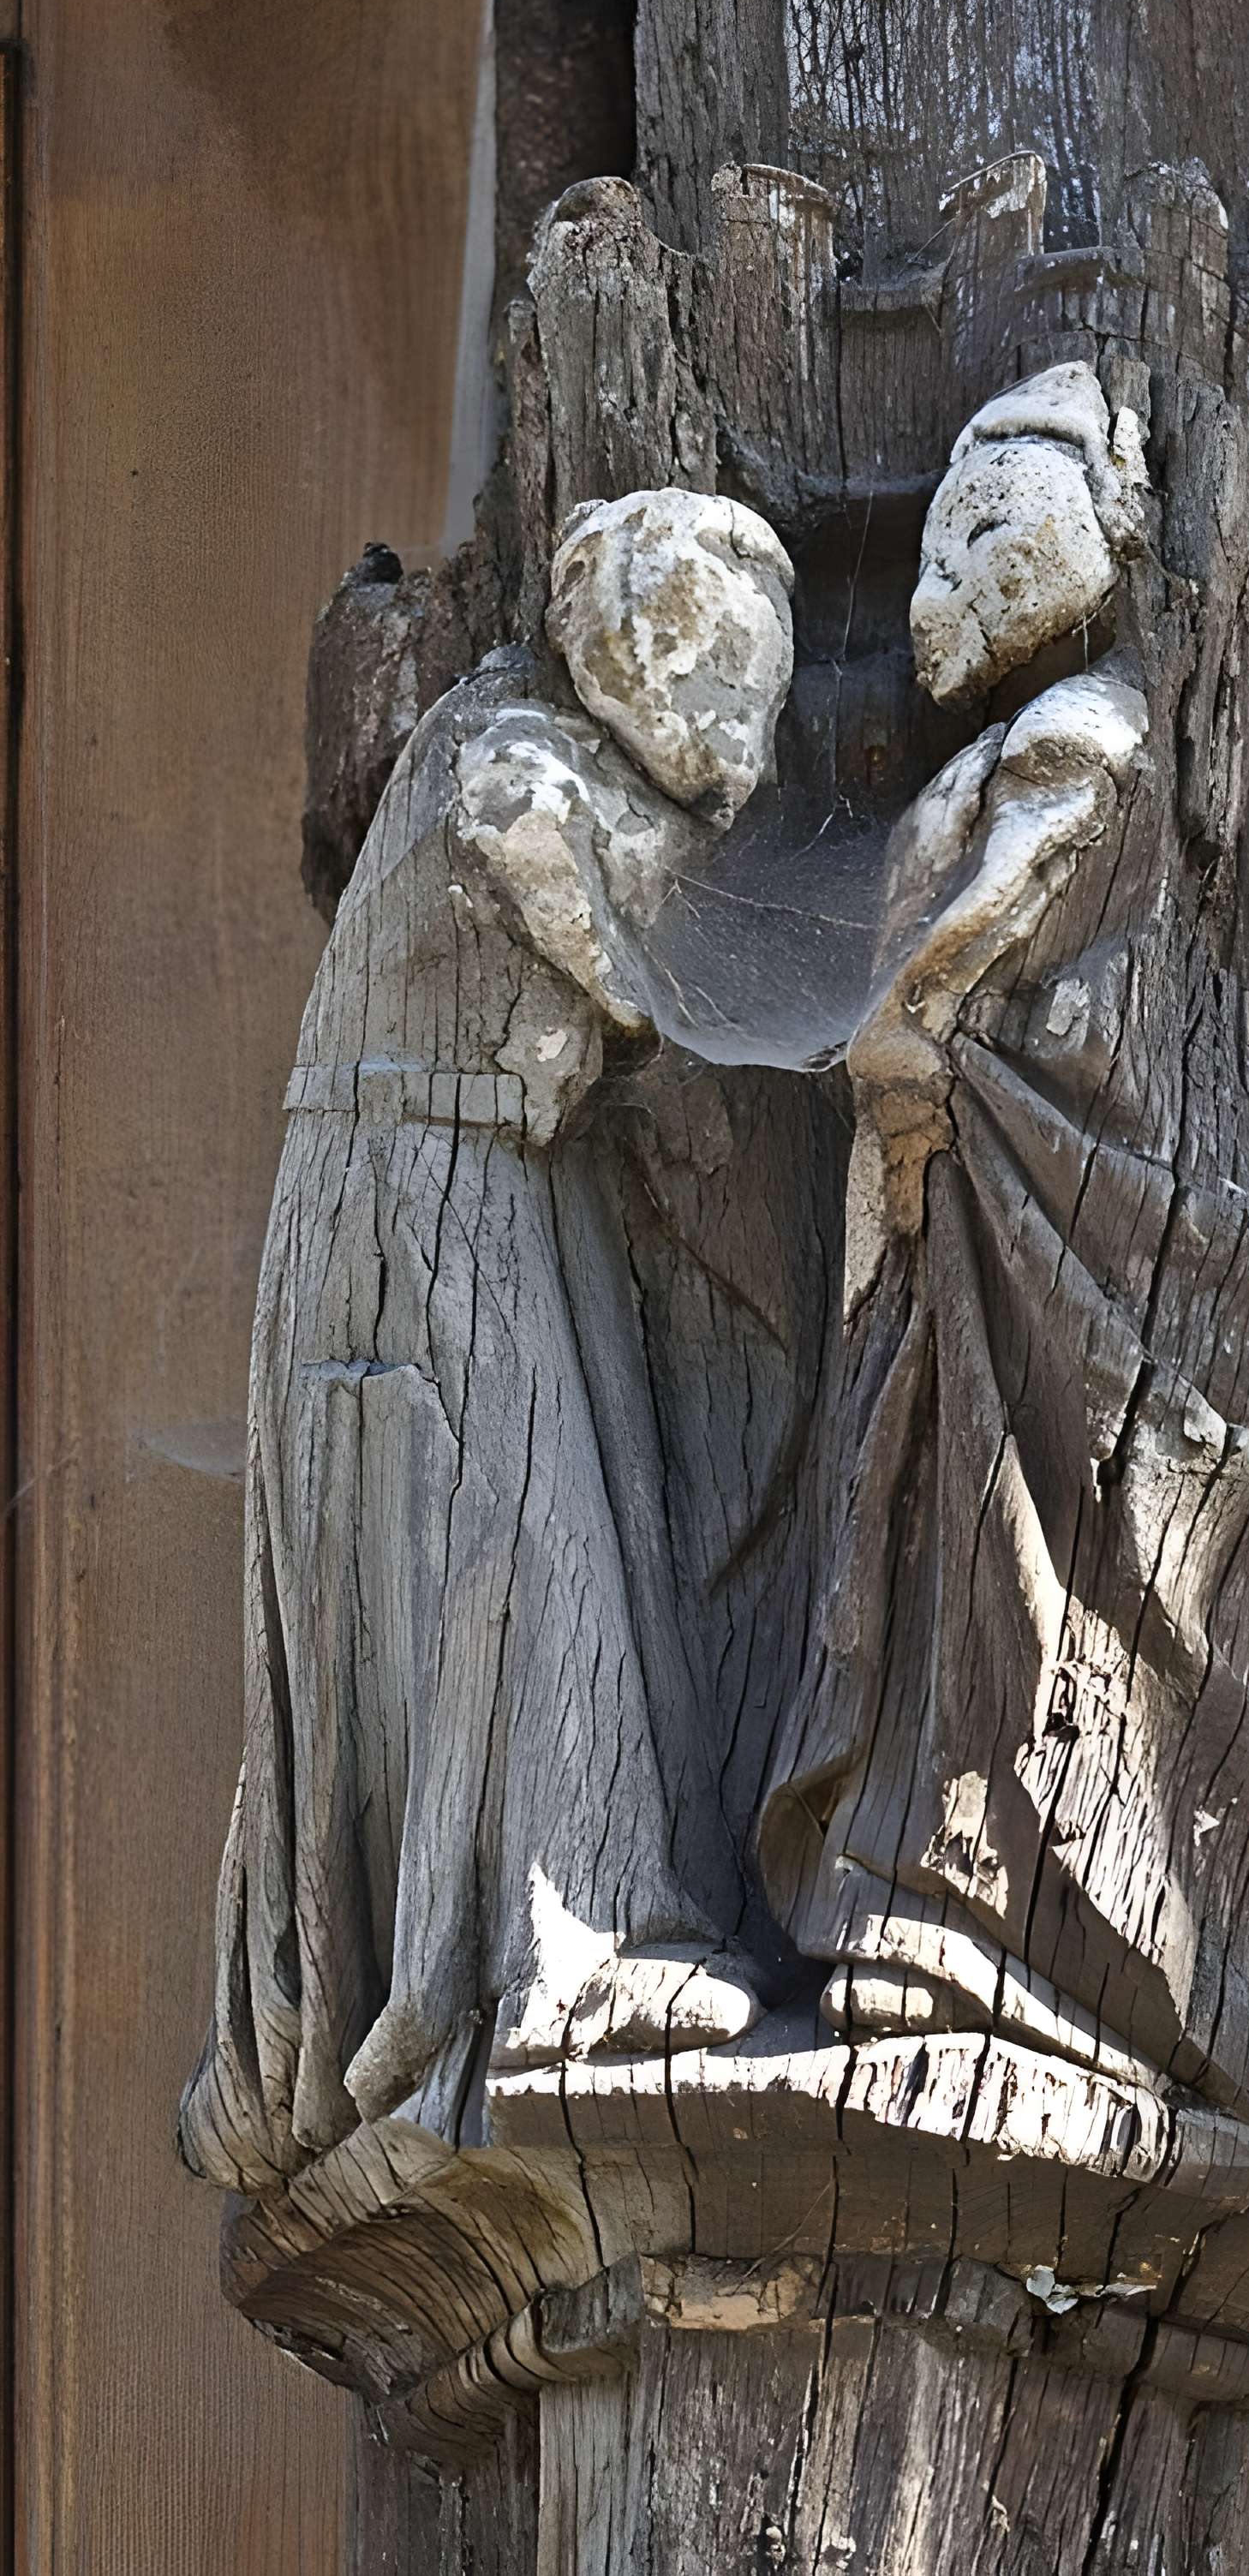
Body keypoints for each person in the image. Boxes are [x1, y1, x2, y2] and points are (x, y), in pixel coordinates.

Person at [181, 489, 797, 2190]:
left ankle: (577, 1939)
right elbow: (658, 969)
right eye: (716, 700)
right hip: (414, 1198)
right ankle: (560, 1962)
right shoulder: (510, 772)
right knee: (509, 1561)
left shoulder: (526, 747)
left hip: (484, 1190)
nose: (733, 755)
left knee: (554, 1550)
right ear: (631, 657)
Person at [760, 367, 1249, 2122]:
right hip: (958, 1203)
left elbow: (987, 926)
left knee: (1031, 1545)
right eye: (945, 548)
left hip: (1054, 1215)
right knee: (930, 1536)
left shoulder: (1088, 732)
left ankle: (1030, 1919)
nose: (957, 582)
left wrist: (906, 1027)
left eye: (998, 535)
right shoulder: (1023, 730)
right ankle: (917, 1892)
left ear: (1105, 537)